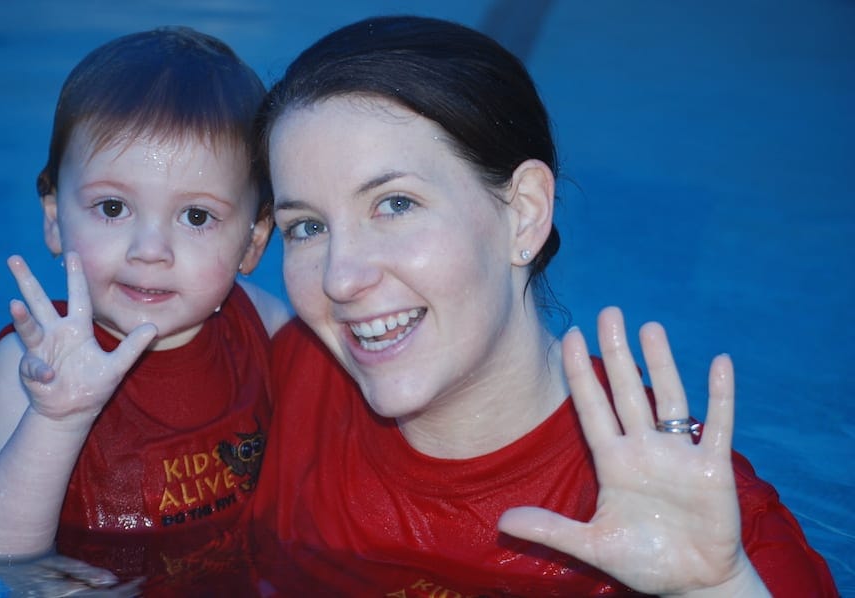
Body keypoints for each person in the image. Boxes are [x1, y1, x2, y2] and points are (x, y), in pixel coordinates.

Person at [247, 15, 839, 596]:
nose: (342, 278)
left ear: (524, 211)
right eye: (307, 227)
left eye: (396, 204)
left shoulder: (707, 525)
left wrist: (714, 590)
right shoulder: (284, 381)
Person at [0, 26, 288, 593]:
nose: (149, 250)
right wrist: (57, 418)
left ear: (253, 242)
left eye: (197, 217)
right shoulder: (29, 364)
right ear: (55, 218)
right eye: (112, 207)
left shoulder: (262, 324)